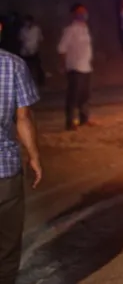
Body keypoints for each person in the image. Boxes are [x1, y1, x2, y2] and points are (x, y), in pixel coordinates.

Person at [0, 41, 42, 283]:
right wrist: (33, 156)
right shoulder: (13, 64)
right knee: (7, 245)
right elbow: (23, 117)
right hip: (5, 173)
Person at [58, 4, 94, 131]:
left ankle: (84, 118)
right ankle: (70, 122)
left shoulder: (85, 29)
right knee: (73, 96)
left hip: (86, 66)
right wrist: (62, 65)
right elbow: (62, 48)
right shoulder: (70, 30)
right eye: (80, 12)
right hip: (74, 67)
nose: (83, 14)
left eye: (84, 12)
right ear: (73, 14)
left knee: (85, 95)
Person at [19, 15, 44, 88]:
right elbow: (21, 40)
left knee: (37, 66)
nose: (27, 23)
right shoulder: (23, 30)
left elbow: (40, 39)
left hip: (34, 50)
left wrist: (37, 48)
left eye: (28, 21)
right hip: (25, 52)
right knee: (26, 67)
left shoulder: (36, 29)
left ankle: (40, 82)